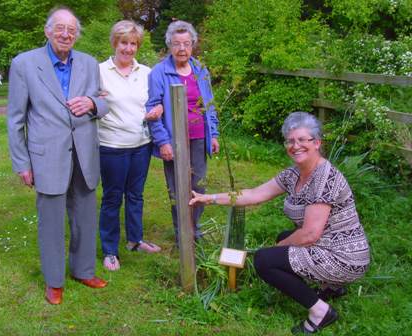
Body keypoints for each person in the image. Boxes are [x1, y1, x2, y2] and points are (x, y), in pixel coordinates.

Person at [189, 112, 370, 334]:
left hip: (345, 257)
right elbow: (254, 194)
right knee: (283, 237)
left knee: (265, 260)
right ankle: (330, 286)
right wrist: (210, 198)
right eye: (291, 141)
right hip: (329, 244)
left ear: (317, 143)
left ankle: (320, 312)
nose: (296, 146)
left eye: (303, 140)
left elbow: (310, 235)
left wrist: (275, 251)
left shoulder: (324, 178)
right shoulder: (295, 174)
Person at [7, 6, 109, 305]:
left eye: (72, 30)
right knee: (51, 221)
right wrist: (22, 163)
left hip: (85, 154)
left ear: (77, 34)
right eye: (60, 28)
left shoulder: (89, 63)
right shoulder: (24, 64)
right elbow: (15, 120)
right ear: (47, 31)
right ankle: (54, 281)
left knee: (85, 217)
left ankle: (84, 270)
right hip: (46, 155)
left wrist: (91, 103)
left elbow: (103, 103)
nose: (66, 34)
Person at [146, 20, 220, 243]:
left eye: (186, 44)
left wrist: (213, 134)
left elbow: (209, 104)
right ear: (169, 45)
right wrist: (162, 141)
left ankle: (193, 229)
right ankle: (182, 235)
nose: (182, 49)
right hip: (174, 139)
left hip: (199, 137)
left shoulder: (200, 70)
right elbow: (153, 108)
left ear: (193, 45)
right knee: (177, 189)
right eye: (177, 44)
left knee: (198, 185)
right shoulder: (159, 72)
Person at [98, 20, 163, 272]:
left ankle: (135, 240)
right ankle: (110, 250)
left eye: (133, 43)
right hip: (112, 146)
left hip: (141, 145)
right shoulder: (99, 71)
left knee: (135, 195)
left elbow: (156, 101)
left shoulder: (146, 72)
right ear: (115, 43)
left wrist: (158, 108)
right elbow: (90, 102)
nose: (128, 48)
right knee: (113, 198)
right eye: (124, 42)